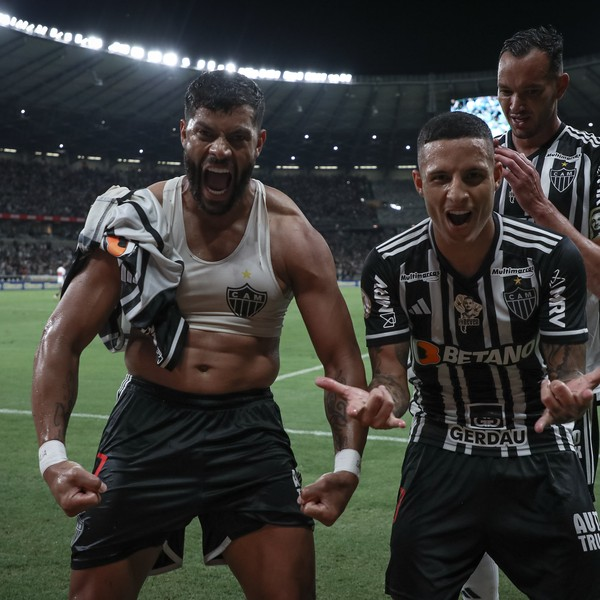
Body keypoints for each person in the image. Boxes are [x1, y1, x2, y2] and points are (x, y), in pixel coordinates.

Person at [32, 70, 368, 600]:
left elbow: (343, 362)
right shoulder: (138, 221)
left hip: (247, 430)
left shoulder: (290, 232)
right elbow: (61, 336)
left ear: (259, 143)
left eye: (237, 137)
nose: (219, 150)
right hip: (149, 421)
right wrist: (52, 456)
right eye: (206, 133)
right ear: (183, 133)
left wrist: (347, 465)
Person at [304, 111, 600, 599]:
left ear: (498, 176)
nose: (456, 194)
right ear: (419, 182)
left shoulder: (550, 256)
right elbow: (391, 377)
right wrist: (383, 398)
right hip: (440, 448)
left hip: (537, 445)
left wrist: (567, 396)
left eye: (473, 176)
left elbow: (566, 369)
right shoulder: (390, 264)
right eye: (440, 178)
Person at [462, 25, 600, 599]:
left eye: (531, 92)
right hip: (485, 378)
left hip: (566, 383)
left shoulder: (593, 160)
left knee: (568, 542)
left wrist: (542, 210)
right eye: (504, 91)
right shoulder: (479, 162)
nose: (514, 105)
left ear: (560, 86)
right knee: (468, 518)